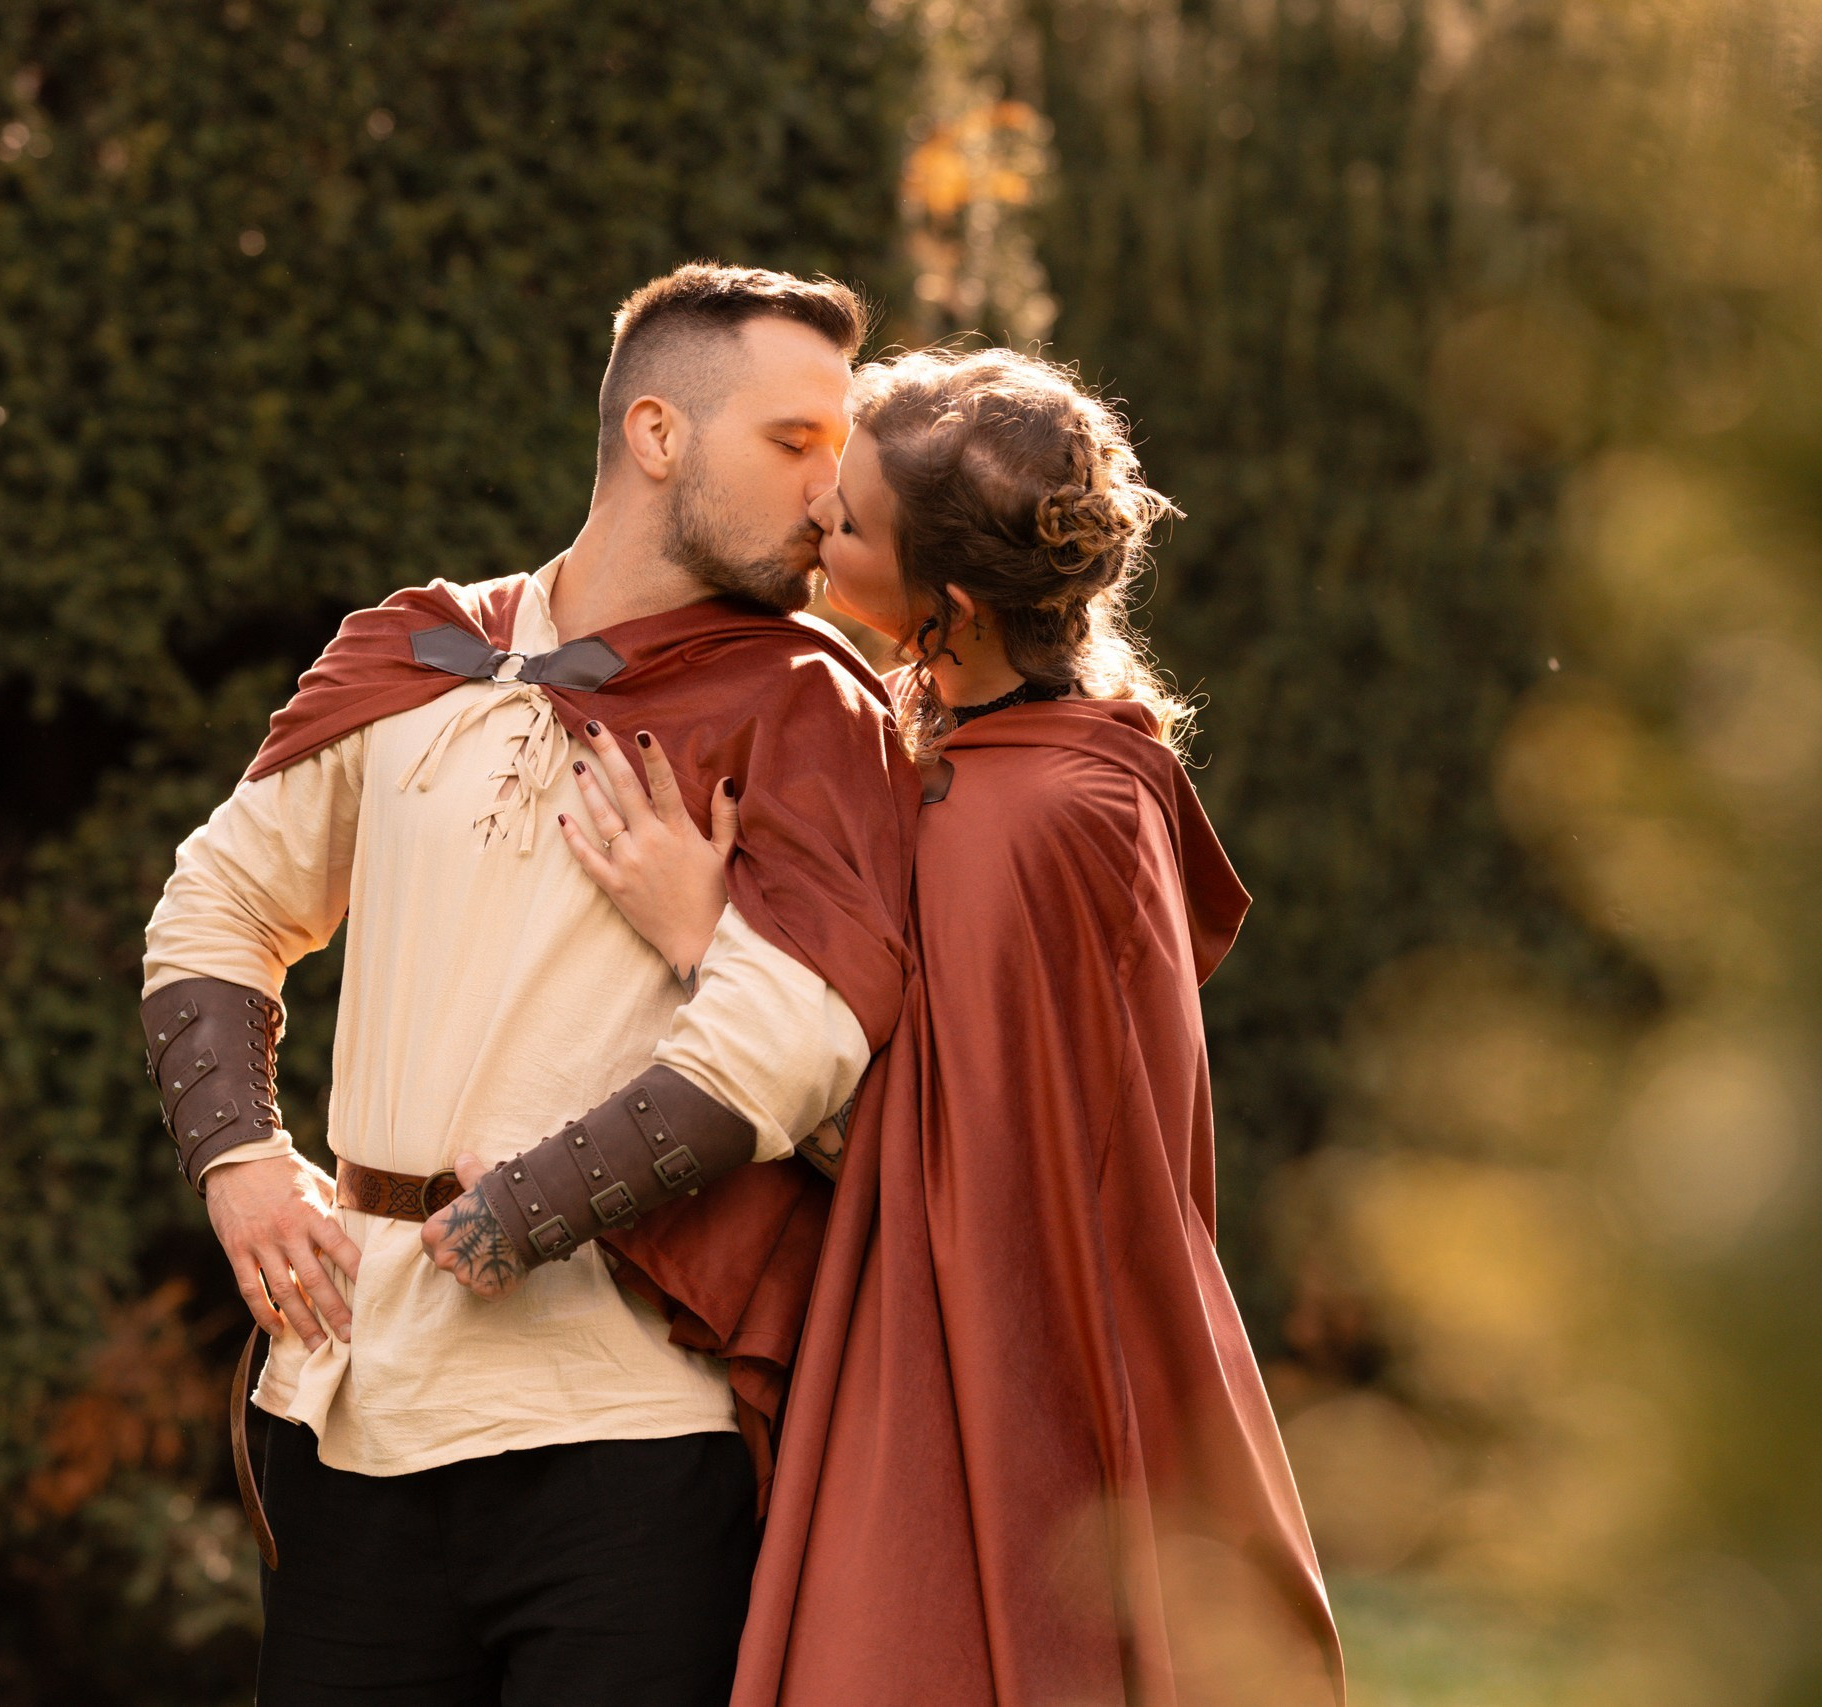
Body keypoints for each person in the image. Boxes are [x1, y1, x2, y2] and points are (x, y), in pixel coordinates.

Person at [138, 263, 917, 1707]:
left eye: (843, 453)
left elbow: (802, 1033)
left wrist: (535, 1206)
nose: (828, 495)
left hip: (627, 1432)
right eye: (793, 443)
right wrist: (241, 1160)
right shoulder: (419, 651)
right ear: (660, 433)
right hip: (354, 1408)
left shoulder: (807, 703)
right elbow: (219, 904)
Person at [563, 347, 1347, 1706]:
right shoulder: (1030, 759)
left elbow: (937, 1147)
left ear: (953, 610)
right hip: (973, 1338)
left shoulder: (1029, 823)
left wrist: (711, 943)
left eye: (852, 523)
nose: (818, 520)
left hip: (993, 1381)